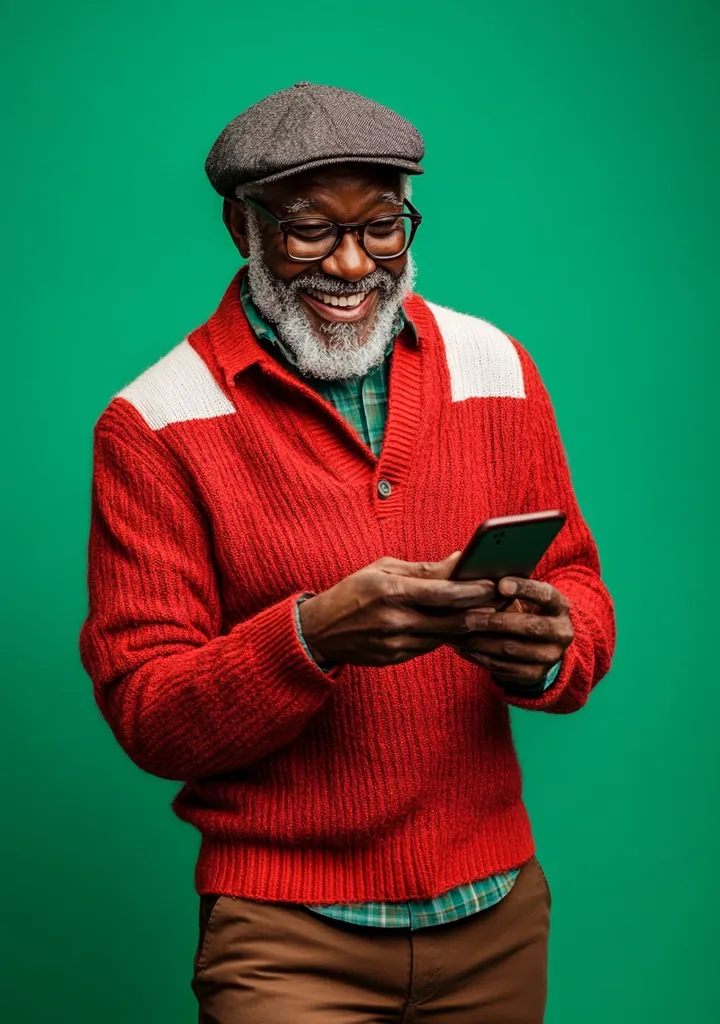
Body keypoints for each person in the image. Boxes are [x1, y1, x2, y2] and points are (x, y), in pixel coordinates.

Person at [80, 82, 615, 1023]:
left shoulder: (498, 364)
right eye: (308, 231)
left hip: (495, 916)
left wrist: (555, 648)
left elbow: (577, 580)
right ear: (238, 226)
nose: (353, 262)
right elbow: (147, 712)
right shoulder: (154, 424)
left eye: (383, 228)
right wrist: (312, 637)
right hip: (286, 938)